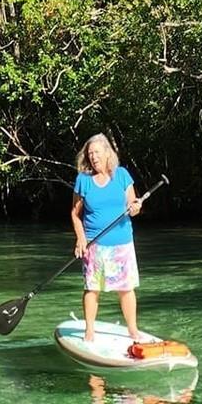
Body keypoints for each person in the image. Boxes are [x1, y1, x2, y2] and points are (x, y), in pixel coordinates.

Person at [71, 134, 146, 347]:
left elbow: (134, 205)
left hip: (122, 243)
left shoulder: (122, 175)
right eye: (90, 154)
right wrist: (80, 239)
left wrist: (136, 207)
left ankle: (132, 328)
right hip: (94, 244)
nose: (93, 157)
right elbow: (75, 214)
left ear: (107, 153)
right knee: (91, 288)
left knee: (126, 288)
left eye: (97, 152)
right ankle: (89, 331)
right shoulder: (83, 180)